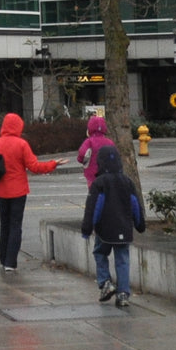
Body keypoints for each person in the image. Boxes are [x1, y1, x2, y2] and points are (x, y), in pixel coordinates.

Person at [0, 112, 63, 272]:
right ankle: (10, 263)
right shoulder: (21, 144)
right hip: (18, 191)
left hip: (1, 191)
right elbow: (35, 167)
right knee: (15, 225)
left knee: (4, 225)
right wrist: (53, 164)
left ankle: (3, 258)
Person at [81, 144, 146, 307]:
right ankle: (123, 293)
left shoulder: (99, 183)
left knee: (99, 253)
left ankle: (105, 283)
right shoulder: (128, 182)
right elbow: (135, 205)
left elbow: (94, 208)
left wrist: (87, 229)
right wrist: (140, 225)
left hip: (105, 229)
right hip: (124, 228)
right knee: (122, 259)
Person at [75, 114, 113, 187]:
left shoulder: (89, 142)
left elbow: (82, 153)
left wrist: (81, 160)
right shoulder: (109, 142)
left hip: (92, 174)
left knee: (94, 192)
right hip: (107, 173)